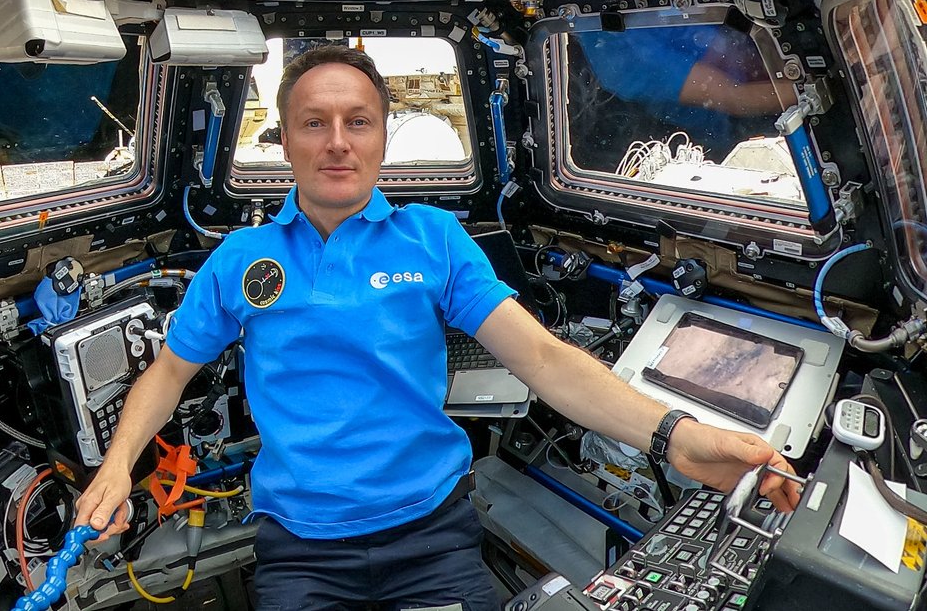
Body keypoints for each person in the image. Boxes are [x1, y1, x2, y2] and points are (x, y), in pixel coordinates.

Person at [74, 45, 801, 610]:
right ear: (287, 141)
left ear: (382, 138)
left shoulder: (433, 239)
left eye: (357, 122)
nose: (337, 142)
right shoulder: (241, 260)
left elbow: (544, 361)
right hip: (300, 549)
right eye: (314, 124)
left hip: (430, 537)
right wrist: (116, 468)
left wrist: (676, 436)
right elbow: (167, 374)